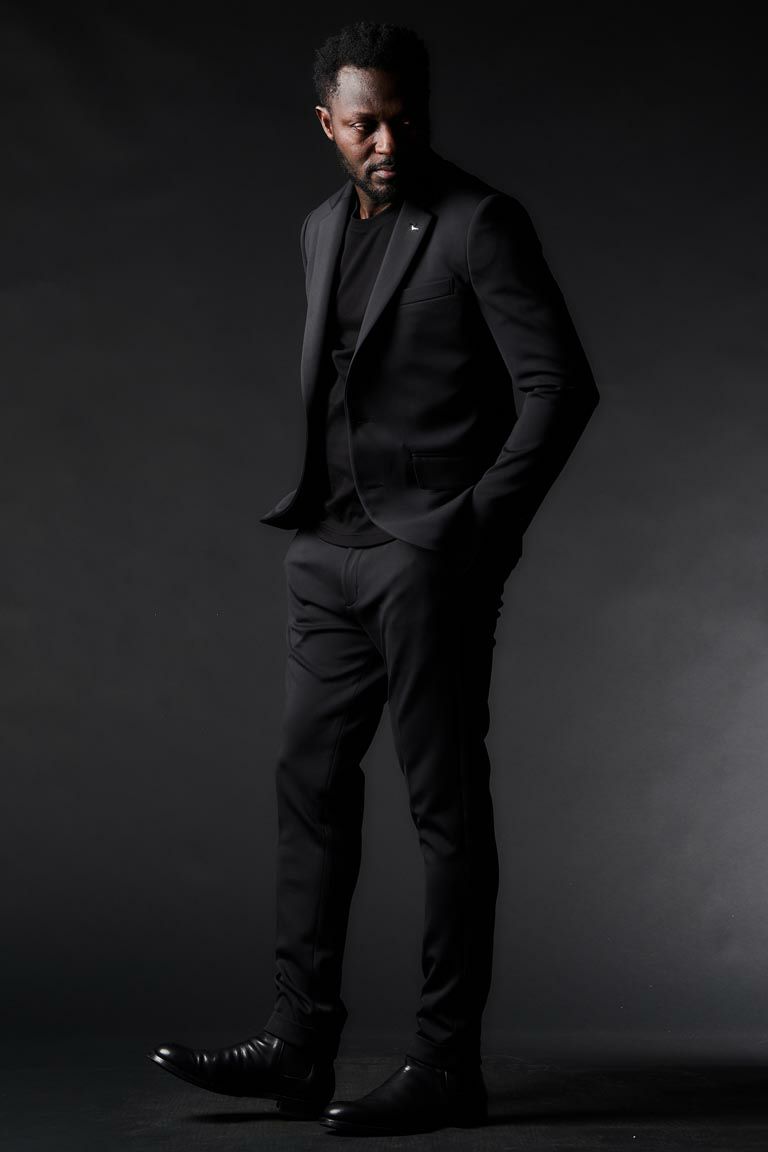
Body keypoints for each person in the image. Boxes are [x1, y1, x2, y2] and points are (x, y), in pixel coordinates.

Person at [149, 19, 600, 1136]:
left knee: (445, 809)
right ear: (327, 124)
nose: (388, 141)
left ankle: (446, 1065)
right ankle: (299, 1043)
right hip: (326, 551)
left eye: (404, 118)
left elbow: (560, 386)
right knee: (307, 786)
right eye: (365, 124)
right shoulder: (318, 229)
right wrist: (322, 522)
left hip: (426, 556)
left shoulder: (480, 223)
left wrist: (471, 532)